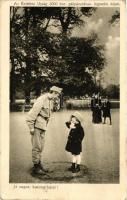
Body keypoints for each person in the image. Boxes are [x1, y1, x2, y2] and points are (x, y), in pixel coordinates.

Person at [26, 86, 62, 175]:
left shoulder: (51, 100)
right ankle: (36, 167)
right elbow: (32, 113)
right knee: (37, 146)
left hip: (43, 125)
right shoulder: (42, 99)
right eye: (57, 94)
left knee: (41, 146)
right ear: (53, 92)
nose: (58, 96)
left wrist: (57, 103)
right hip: (37, 125)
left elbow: (53, 111)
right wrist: (31, 127)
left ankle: (39, 164)